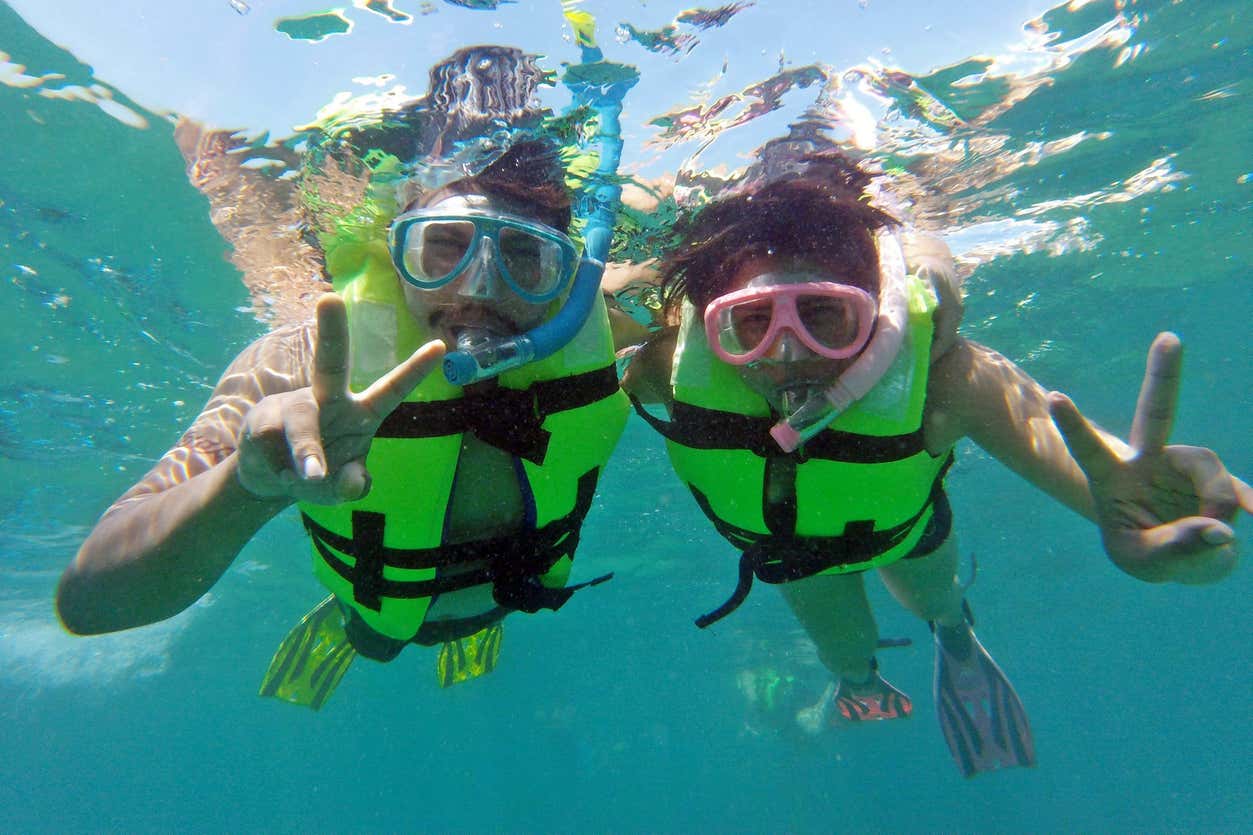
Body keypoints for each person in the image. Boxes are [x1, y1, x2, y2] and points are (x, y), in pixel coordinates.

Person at [621, 151, 1251, 776]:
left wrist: (1138, 511)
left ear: (879, 315)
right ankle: (858, 681)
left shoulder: (948, 381)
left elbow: (1069, 449)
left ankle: (953, 632)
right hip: (792, 561)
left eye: (823, 316)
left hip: (910, 533)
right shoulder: (666, 372)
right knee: (845, 648)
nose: (788, 356)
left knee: (936, 598)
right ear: (707, 331)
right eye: (750, 324)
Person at [54, 45, 633, 709]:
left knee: (448, 619)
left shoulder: (605, 327)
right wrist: (247, 485)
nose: (477, 289)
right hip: (376, 606)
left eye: (525, 257)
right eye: (442, 246)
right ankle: (355, 628)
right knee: (377, 634)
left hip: (516, 597)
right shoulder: (303, 362)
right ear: (395, 247)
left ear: (566, 277)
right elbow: (88, 603)